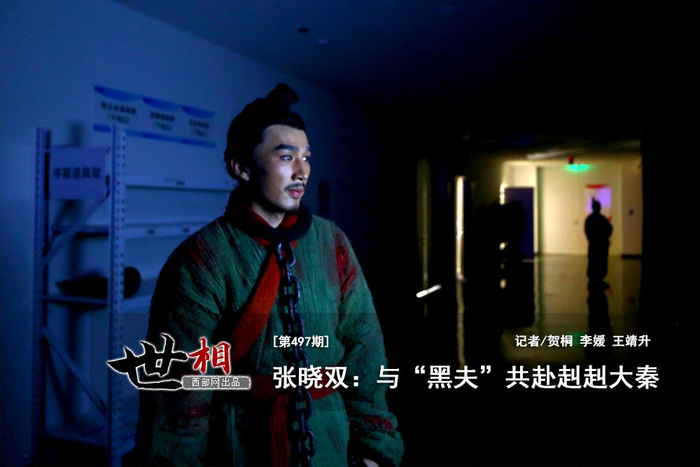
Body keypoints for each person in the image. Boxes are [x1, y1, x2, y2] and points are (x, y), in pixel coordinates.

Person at [126, 83, 403, 466]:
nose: (302, 171)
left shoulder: (332, 242)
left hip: (331, 442)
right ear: (240, 167)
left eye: (306, 157)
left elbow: (365, 349)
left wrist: (375, 449)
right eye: (286, 156)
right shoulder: (202, 257)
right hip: (239, 443)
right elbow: (181, 388)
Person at [584, 199, 613, 286]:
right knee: (601, 261)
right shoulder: (603, 219)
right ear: (599, 208)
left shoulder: (589, 219)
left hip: (593, 244)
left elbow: (587, 231)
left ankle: (592, 279)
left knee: (592, 261)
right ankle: (599, 279)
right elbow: (609, 229)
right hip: (602, 245)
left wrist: (590, 239)